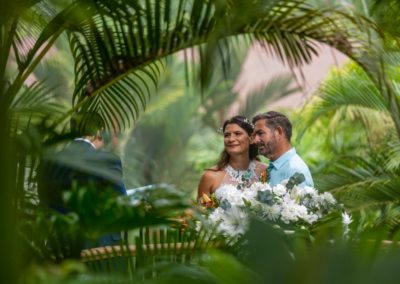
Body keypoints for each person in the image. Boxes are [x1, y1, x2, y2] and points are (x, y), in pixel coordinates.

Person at [37, 111, 127, 248]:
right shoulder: (107, 161)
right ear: (98, 131)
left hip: (57, 248)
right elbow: (121, 202)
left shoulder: (47, 162)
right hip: (100, 250)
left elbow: (44, 202)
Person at [197, 115, 267, 202]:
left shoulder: (266, 171)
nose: (231, 139)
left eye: (238, 134)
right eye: (227, 135)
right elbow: (200, 213)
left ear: (251, 138)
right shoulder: (210, 176)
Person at [252, 111, 314, 187]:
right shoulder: (272, 168)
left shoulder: (294, 171)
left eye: (260, 133)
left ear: (278, 132)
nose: (255, 140)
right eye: (254, 135)